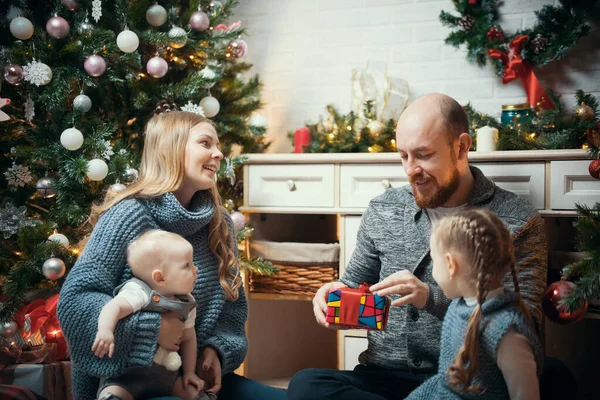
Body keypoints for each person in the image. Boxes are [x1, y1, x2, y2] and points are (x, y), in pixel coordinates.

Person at [287, 93, 548, 400]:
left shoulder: (516, 219)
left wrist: (431, 297)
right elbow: (355, 284)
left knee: (556, 378)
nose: (411, 169)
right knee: (307, 385)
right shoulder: (383, 209)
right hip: (382, 377)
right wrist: (332, 299)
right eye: (403, 156)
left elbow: (523, 324)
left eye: (423, 155)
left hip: (467, 383)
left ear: (462, 146)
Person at [57, 111, 287, 400]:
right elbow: (75, 303)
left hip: (191, 383)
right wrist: (152, 331)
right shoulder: (127, 216)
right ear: (171, 149)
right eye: (205, 143)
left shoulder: (219, 223)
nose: (218, 153)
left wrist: (217, 351)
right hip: (126, 385)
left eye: (217, 145)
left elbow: (232, 311)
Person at [406, 209, 543, 400]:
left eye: (433, 261)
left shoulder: (506, 330)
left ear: (450, 265)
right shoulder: (458, 306)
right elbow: (445, 382)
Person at [92, 230, 207, 400]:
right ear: (160, 278)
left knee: (194, 394)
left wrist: (189, 373)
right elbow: (113, 307)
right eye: (187, 265)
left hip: (168, 378)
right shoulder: (139, 292)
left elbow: (189, 338)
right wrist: (105, 330)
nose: (196, 269)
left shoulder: (187, 302)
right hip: (128, 377)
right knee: (112, 394)